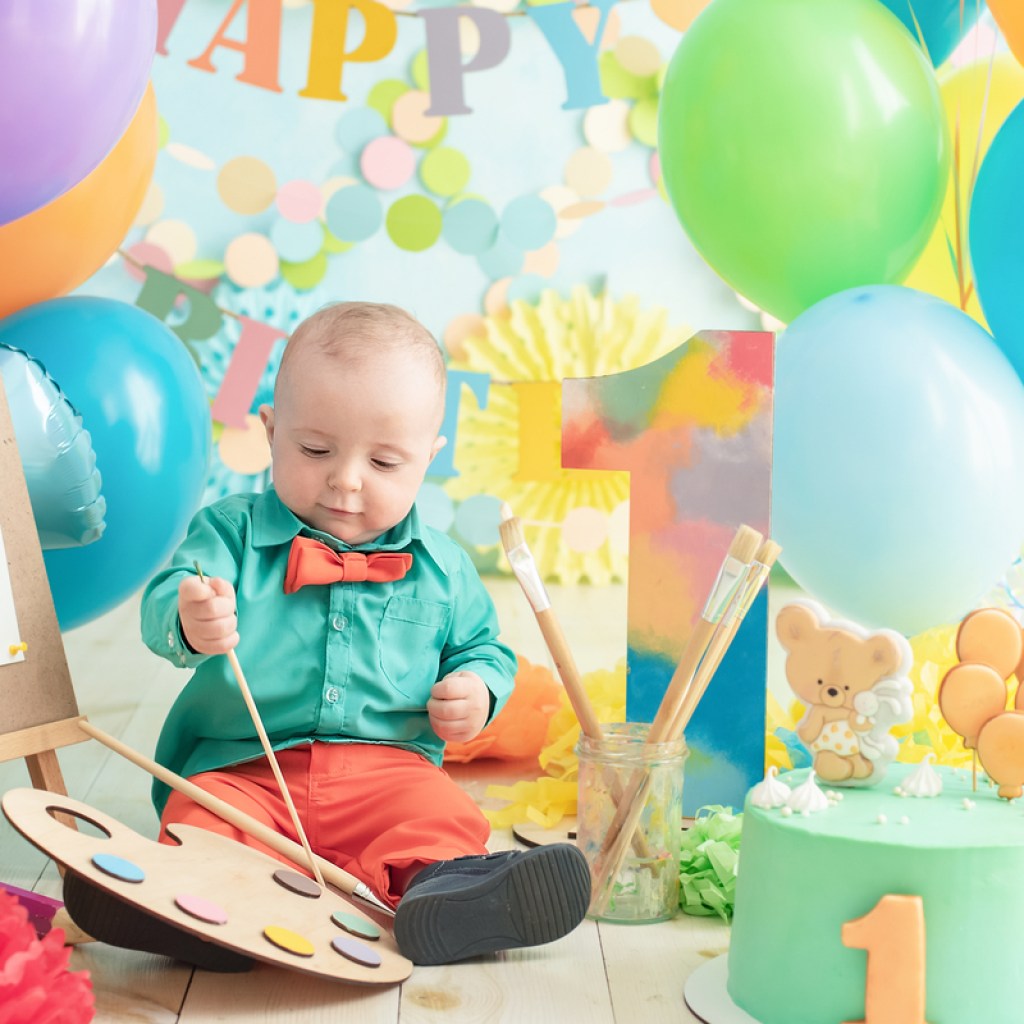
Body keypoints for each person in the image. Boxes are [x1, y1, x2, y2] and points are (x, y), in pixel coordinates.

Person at [138, 301, 590, 966]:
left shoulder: (441, 568)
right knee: (205, 819)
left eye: (384, 463)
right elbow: (162, 599)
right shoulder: (229, 533)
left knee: (438, 819)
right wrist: (187, 616)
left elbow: (484, 649)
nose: (346, 480)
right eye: (315, 449)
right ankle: (201, 904)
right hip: (246, 770)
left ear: (428, 459)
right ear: (271, 430)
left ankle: (452, 896)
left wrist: (476, 687)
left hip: (388, 772)